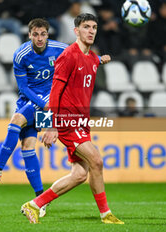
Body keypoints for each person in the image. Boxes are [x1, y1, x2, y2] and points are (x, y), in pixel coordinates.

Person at [20, 13, 124, 224]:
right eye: (86, 27)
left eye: (94, 27)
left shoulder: (91, 56)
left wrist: (101, 60)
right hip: (66, 121)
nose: (91, 31)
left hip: (82, 121)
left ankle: (35, 204)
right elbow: (55, 92)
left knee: (79, 174)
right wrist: (51, 126)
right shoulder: (68, 55)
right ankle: (105, 214)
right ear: (76, 31)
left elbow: (90, 62)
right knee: (97, 160)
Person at [0, 18, 68, 217]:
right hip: (32, 100)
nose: (40, 38)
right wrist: (43, 105)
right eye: (36, 34)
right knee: (27, 148)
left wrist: (96, 59)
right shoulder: (21, 55)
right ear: (29, 35)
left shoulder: (60, 49)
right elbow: (23, 87)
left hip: (49, 98)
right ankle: (40, 200)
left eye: (43, 34)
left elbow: (79, 54)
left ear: (48, 34)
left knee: (16, 120)